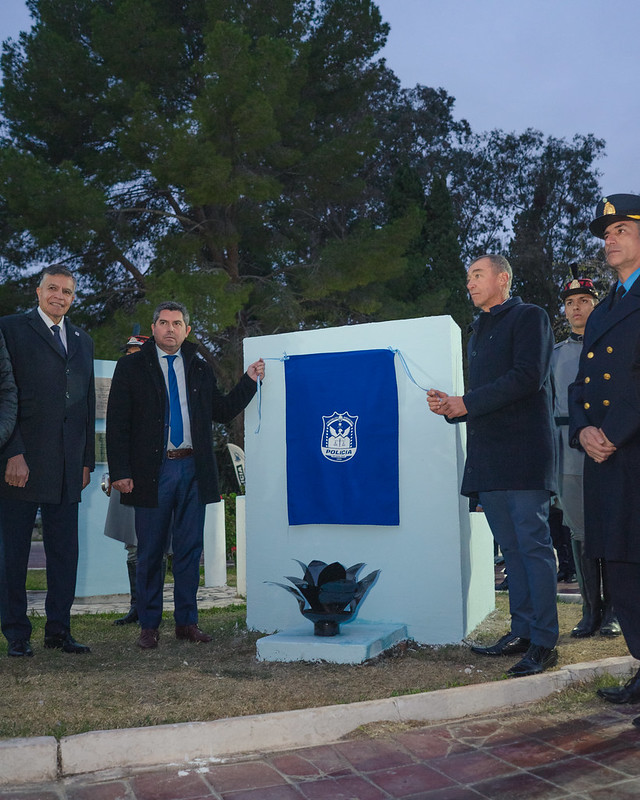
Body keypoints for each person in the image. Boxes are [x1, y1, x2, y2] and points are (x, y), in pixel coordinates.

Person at [427, 254, 558, 677]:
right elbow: (485, 395)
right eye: (467, 277)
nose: (470, 283)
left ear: (503, 279)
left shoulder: (529, 316)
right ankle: (521, 631)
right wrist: (454, 408)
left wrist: (467, 401)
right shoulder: (478, 330)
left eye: (477, 275)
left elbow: (527, 377)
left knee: (533, 548)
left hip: (522, 454)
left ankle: (544, 641)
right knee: (512, 552)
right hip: (490, 457)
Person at [106, 301, 265, 649]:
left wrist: (250, 381)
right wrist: (120, 471)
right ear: (154, 327)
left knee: (190, 551)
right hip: (152, 472)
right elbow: (117, 423)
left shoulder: (198, 367)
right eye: (163, 322)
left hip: (193, 469)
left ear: (187, 330)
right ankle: (148, 626)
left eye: (177, 323)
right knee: (150, 551)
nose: (170, 329)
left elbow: (222, 411)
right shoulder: (131, 366)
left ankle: (186, 623)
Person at [568, 194, 640, 722]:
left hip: (634, 450)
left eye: (620, 229)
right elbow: (579, 385)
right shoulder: (606, 306)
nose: (608, 239)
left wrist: (612, 431)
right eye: (606, 232)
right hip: (605, 457)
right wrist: (585, 430)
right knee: (619, 565)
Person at [0, 266, 95, 657]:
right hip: (20, 463)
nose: (59, 296)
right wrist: (12, 452)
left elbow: (85, 405)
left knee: (64, 553)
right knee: (13, 554)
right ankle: (16, 635)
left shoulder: (82, 339)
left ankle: (59, 630)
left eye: (67, 291)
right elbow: (5, 394)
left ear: (74, 298)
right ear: (37, 291)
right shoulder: (11, 329)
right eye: (52, 288)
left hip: (68, 467)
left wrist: (86, 459)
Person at [553, 271, 620, 638]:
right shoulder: (555, 356)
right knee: (579, 533)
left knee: (612, 529)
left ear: (595, 305)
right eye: (569, 303)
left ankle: (612, 610)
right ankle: (590, 608)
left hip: (612, 447)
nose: (576, 308)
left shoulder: (613, 345)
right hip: (569, 454)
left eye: (583, 301)